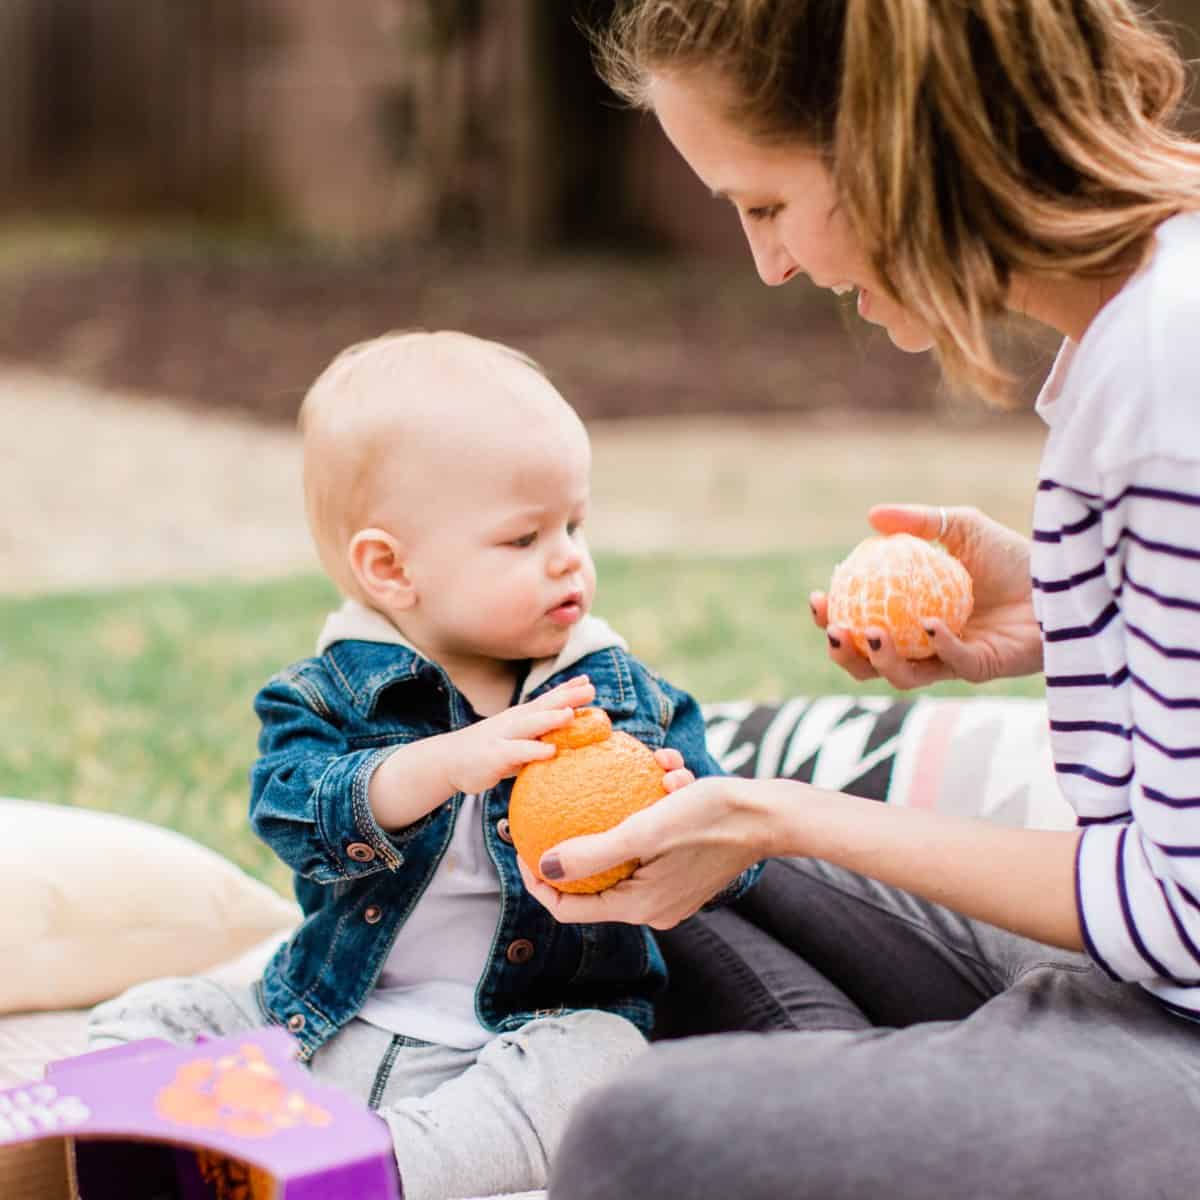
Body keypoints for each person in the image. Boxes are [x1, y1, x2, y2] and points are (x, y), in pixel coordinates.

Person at [519, 4, 1200, 1198]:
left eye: (766, 206)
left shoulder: (1165, 375)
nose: (770, 265)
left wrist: (787, 816)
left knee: (642, 1138)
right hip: (1142, 986)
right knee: (654, 873)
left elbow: (1179, 912)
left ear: (894, 139)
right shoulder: (1153, 323)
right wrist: (1064, 600)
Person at [87, 330, 760, 1200]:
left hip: (520, 1038)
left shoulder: (621, 698)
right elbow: (293, 818)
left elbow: (723, 855)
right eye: (523, 538)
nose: (569, 558)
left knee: (608, 1070)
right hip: (328, 1012)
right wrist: (445, 763)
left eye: (574, 524)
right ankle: (127, 1131)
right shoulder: (329, 694)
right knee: (158, 1013)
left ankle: (380, 1165)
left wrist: (683, 817)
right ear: (390, 568)